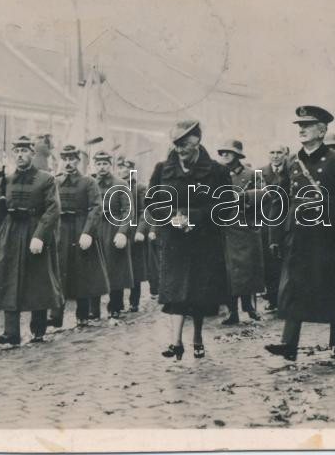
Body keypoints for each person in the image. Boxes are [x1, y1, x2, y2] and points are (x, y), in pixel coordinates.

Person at [264, 106, 335, 361]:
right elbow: (279, 199)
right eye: (300, 125)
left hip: (328, 233)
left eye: (307, 125)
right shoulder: (291, 161)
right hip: (298, 234)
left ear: (322, 131)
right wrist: (275, 236)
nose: (301, 129)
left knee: (334, 286)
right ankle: (288, 344)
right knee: (293, 287)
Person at [142, 120, 231, 360]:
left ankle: (198, 337)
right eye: (177, 144)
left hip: (204, 240)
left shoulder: (217, 171)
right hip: (174, 240)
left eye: (185, 144)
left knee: (200, 293)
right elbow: (151, 201)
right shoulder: (163, 169)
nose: (180, 149)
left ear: (197, 141)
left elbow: (225, 206)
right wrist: (173, 217)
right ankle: (176, 342)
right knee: (176, 291)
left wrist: (195, 217)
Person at [0, 135, 64, 345]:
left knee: (38, 280)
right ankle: (11, 332)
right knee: (8, 279)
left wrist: (40, 236)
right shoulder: (6, 180)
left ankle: (38, 330)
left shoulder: (46, 179)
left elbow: (53, 209)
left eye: (24, 151)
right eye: (17, 151)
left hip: (35, 230)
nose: (20, 155)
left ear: (32, 153)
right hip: (11, 233)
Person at [49, 144, 109, 328]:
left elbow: (96, 208)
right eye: (65, 159)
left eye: (72, 159)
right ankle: (55, 316)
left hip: (81, 228)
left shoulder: (88, 182)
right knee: (59, 270)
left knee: (82, 272)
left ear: (78, 160)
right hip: (61, 230)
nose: (68, 163)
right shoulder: (56, 182)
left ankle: (82, 314)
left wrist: (88, 232)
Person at [216, 139, 265, 325]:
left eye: (228, 152)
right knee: (228, 272)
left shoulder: (252, 173)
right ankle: (233, 311)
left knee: (247, 270)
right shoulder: (217, 174)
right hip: (223, 228)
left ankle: (249, 307)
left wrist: (245, 197)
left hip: (245, 227)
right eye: (222, 152)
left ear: (237, 154)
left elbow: (264, 193)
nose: (224, 155)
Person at [91, 151, 134, 319]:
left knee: (115, 270)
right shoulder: (91, 183)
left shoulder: (121, 184)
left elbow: (128, 211)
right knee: (94, 268)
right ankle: (93, 310)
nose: (101, 167)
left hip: (113, 228)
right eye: (98, 164)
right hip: (95, 228)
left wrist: (122, 232)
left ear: (111, 165)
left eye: (105, 164)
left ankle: (115, 307)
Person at [260, 143, 289, 312]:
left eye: (279, 152)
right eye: (272, 152)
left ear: (285, 154)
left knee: (286, 262)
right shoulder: (260, 172)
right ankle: (272, 299)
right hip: (267, 223)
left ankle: (286, 299)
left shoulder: (290, 172)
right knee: (269, 262)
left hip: (286, 223)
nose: (276, 155)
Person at [118, 156, 146, 313]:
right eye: (120, 167)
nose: (122, 170)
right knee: (119, 266)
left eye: (126, 168)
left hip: (134, 232)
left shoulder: (139, 188)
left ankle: (134, 302)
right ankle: (118, 304)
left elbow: (144, 211)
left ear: (132, 170)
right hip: (120, 230)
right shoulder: (116, 186)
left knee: (135, 269)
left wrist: (141, 230)